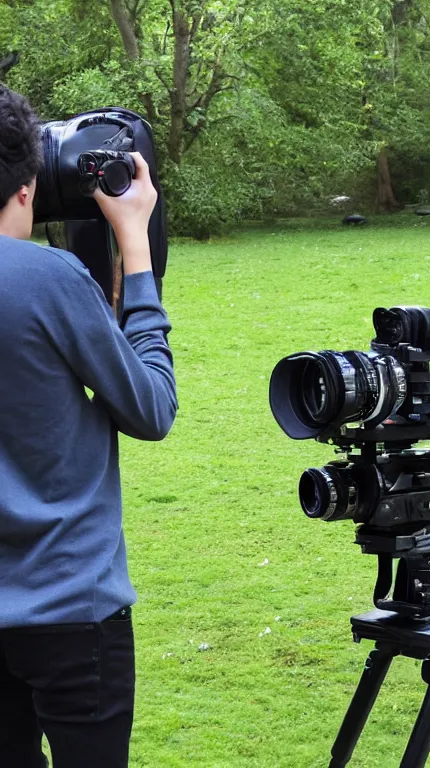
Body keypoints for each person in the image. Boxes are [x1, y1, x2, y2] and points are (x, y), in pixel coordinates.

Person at [0, 85, 177, 768]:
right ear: (29, 184)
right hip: (72, 606)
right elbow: (151, 408)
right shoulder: (51, 280)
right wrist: (133, 248)